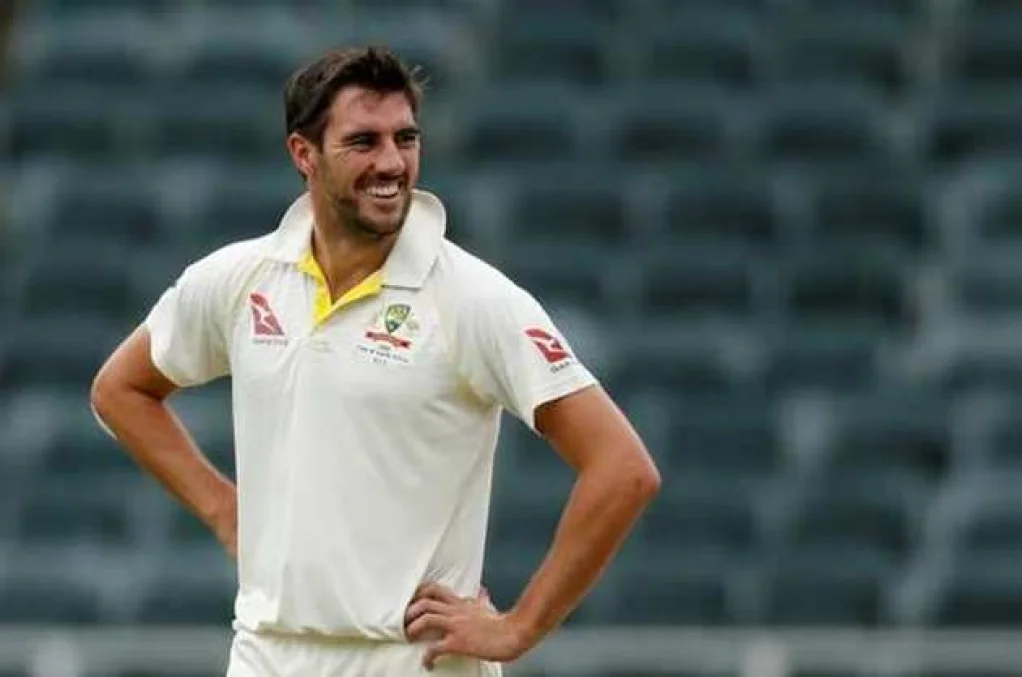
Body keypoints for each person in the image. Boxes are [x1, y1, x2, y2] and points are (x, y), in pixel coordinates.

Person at [90, 46, 662, 676]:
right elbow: (121, 390)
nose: (392, 162)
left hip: (412, 660)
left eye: (405, 138)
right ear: (303, 154)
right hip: (265, 653)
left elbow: (622, 468)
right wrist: (226, 512)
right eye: (364, 141)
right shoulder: (241, 277)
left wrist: (520, 627)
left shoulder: (472, 298)